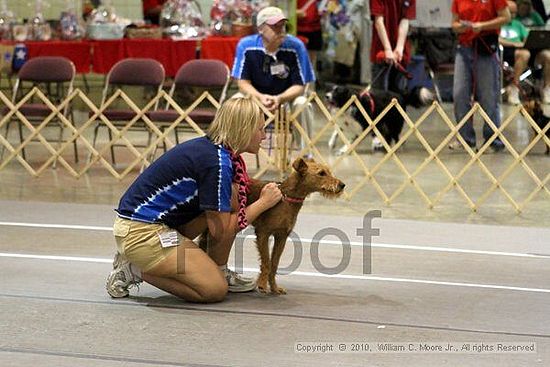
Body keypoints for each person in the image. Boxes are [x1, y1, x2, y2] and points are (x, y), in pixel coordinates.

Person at [105, 97, 283, 303]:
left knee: (233, 196)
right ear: (244, 129)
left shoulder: (216, 152)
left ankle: (219, 269)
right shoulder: (217, 164)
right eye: (260, 129)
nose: (264, 135)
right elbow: (222, 230)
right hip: (142, 234)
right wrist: (263, 203)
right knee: (214, 290)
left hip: (154, 225)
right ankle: (134, 269)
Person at [231, 6, 316, 154]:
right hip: (256, 100)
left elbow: (300, 86)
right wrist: (260, 97)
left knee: (302, 103)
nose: (281, 29)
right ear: (261, 29)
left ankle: (306, 155)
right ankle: (232, 154)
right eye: (275, 26)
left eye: (283, 25)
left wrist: (279, 98)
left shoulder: (296, 46)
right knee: (235, 101)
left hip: (287, 100)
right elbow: (242, 83)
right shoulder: (246, 46)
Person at [449, 0, 511, 152]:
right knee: (459, 94)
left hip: (486, 48)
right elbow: (454, 24)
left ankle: (493, 140)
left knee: (488, 95)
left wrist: (483, 26)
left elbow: (506, 17)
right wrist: (461, 27)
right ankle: (465, 139)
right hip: (464, 48)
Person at [368, 0, 416, 150]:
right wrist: (388, 49)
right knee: (377, 96)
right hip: (381, 51)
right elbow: (378, 21)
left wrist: (399, 48)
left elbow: (405, 21)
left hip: (400, 54)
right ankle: (377, 136)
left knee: (398, 97)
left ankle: (394, 134)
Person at [500, 0, 531, 104]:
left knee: (546, 55)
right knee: (524, 54)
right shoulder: (498, 23)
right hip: (504, 51)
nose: (512, 15)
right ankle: (515, 86)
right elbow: (496, 39)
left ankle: (546, 87)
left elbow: (527, 38)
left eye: (514, 13)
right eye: (510, 12)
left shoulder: (518, 24)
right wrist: (513, 44)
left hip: (520, 49)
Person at [297, 0, 323, 85]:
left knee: (311, 62)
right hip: (298, 29)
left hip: (314, 29)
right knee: (299, 59)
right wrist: (296, 12)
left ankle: (310, 87)